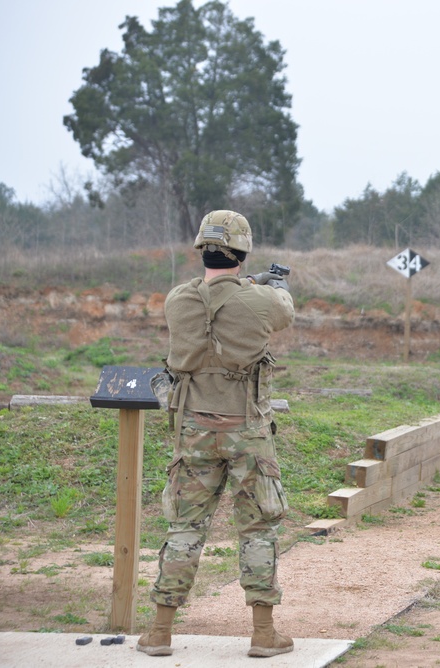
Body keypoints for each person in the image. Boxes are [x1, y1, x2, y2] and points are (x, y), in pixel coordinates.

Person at [138, 210, 296, 658]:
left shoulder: (177, 300)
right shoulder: (261, 300)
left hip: (193, 428)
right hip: (248, 430)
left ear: (200, 249)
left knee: (185, 526)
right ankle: (264, 634)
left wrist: (249, 284)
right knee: (259, 528)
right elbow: (281, 311)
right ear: (243, 254)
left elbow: (211, 302)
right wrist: (271, 284)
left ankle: (160, 632)